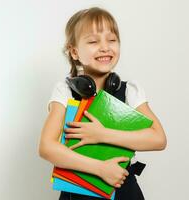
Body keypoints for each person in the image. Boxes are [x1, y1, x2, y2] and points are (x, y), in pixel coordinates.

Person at [39, 7, 167, 200]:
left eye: (112, 40)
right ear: (74, 52)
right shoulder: (64, 91)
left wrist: (102, 134)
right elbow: (47, 147)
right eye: (93, 41)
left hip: (124, 189)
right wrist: (100, 169)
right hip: (78, 191)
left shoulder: (130, 90)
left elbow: (158, 139)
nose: (105, 47)